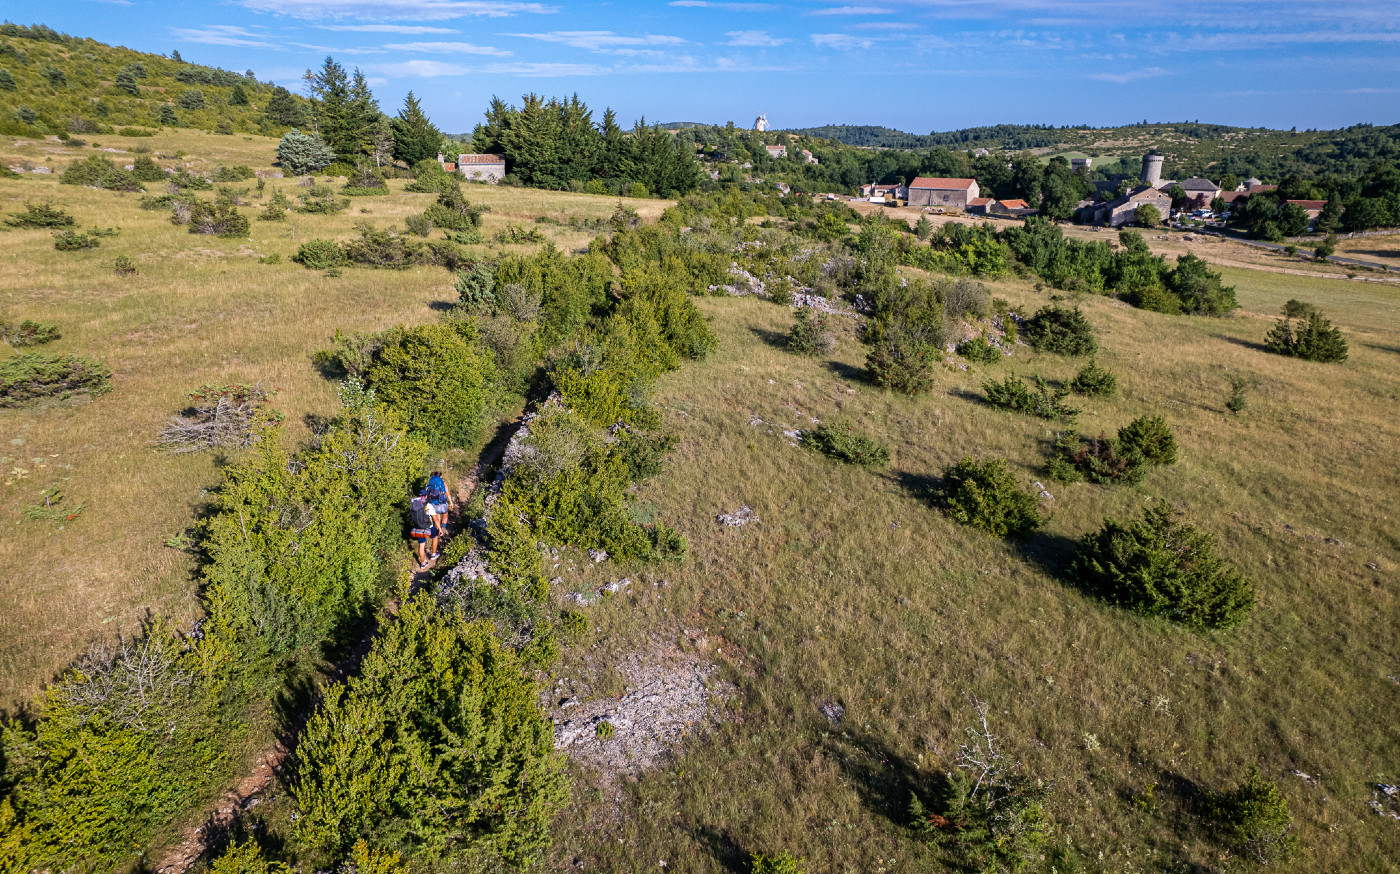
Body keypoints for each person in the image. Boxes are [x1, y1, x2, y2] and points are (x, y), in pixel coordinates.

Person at [408, 491, 439, 569]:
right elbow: (435, 518)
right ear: (426, 496)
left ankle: (422, 563)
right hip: (429, 527)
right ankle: (433, 554)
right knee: (435, 537)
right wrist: (439, 528)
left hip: (418, 528)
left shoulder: (414, 504)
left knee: (421, 545)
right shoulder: (428, 505)